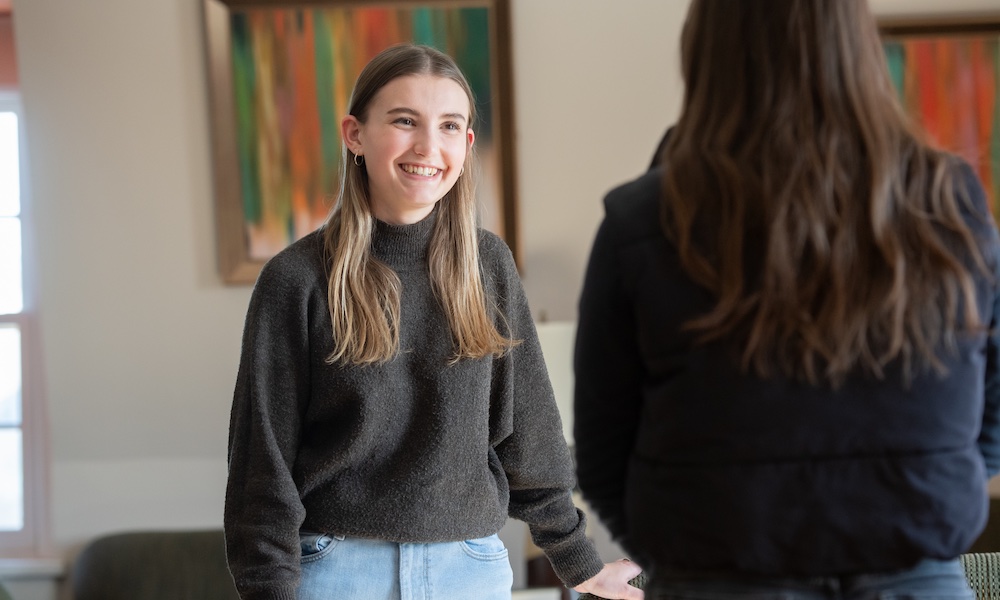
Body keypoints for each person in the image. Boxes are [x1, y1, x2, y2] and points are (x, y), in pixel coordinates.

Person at [573, 1, 1000, 598]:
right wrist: (923, 500)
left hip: (719, 578)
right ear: (859, 46)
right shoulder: (950, 204)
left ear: (705, 51)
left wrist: (688, 559)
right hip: (916, 574)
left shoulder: (641, 220)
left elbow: (600, 455)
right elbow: (992, 407)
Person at [224, 44, 643, 600]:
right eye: (404, 121)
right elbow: (262, 465)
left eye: (450, 126)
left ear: (467, 145)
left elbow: (529, 435)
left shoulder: (488, 266)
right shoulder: (296, 280)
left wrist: (579, 561)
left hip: (469, 567)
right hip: (336, 569)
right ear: (354, 134)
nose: (428, 147)